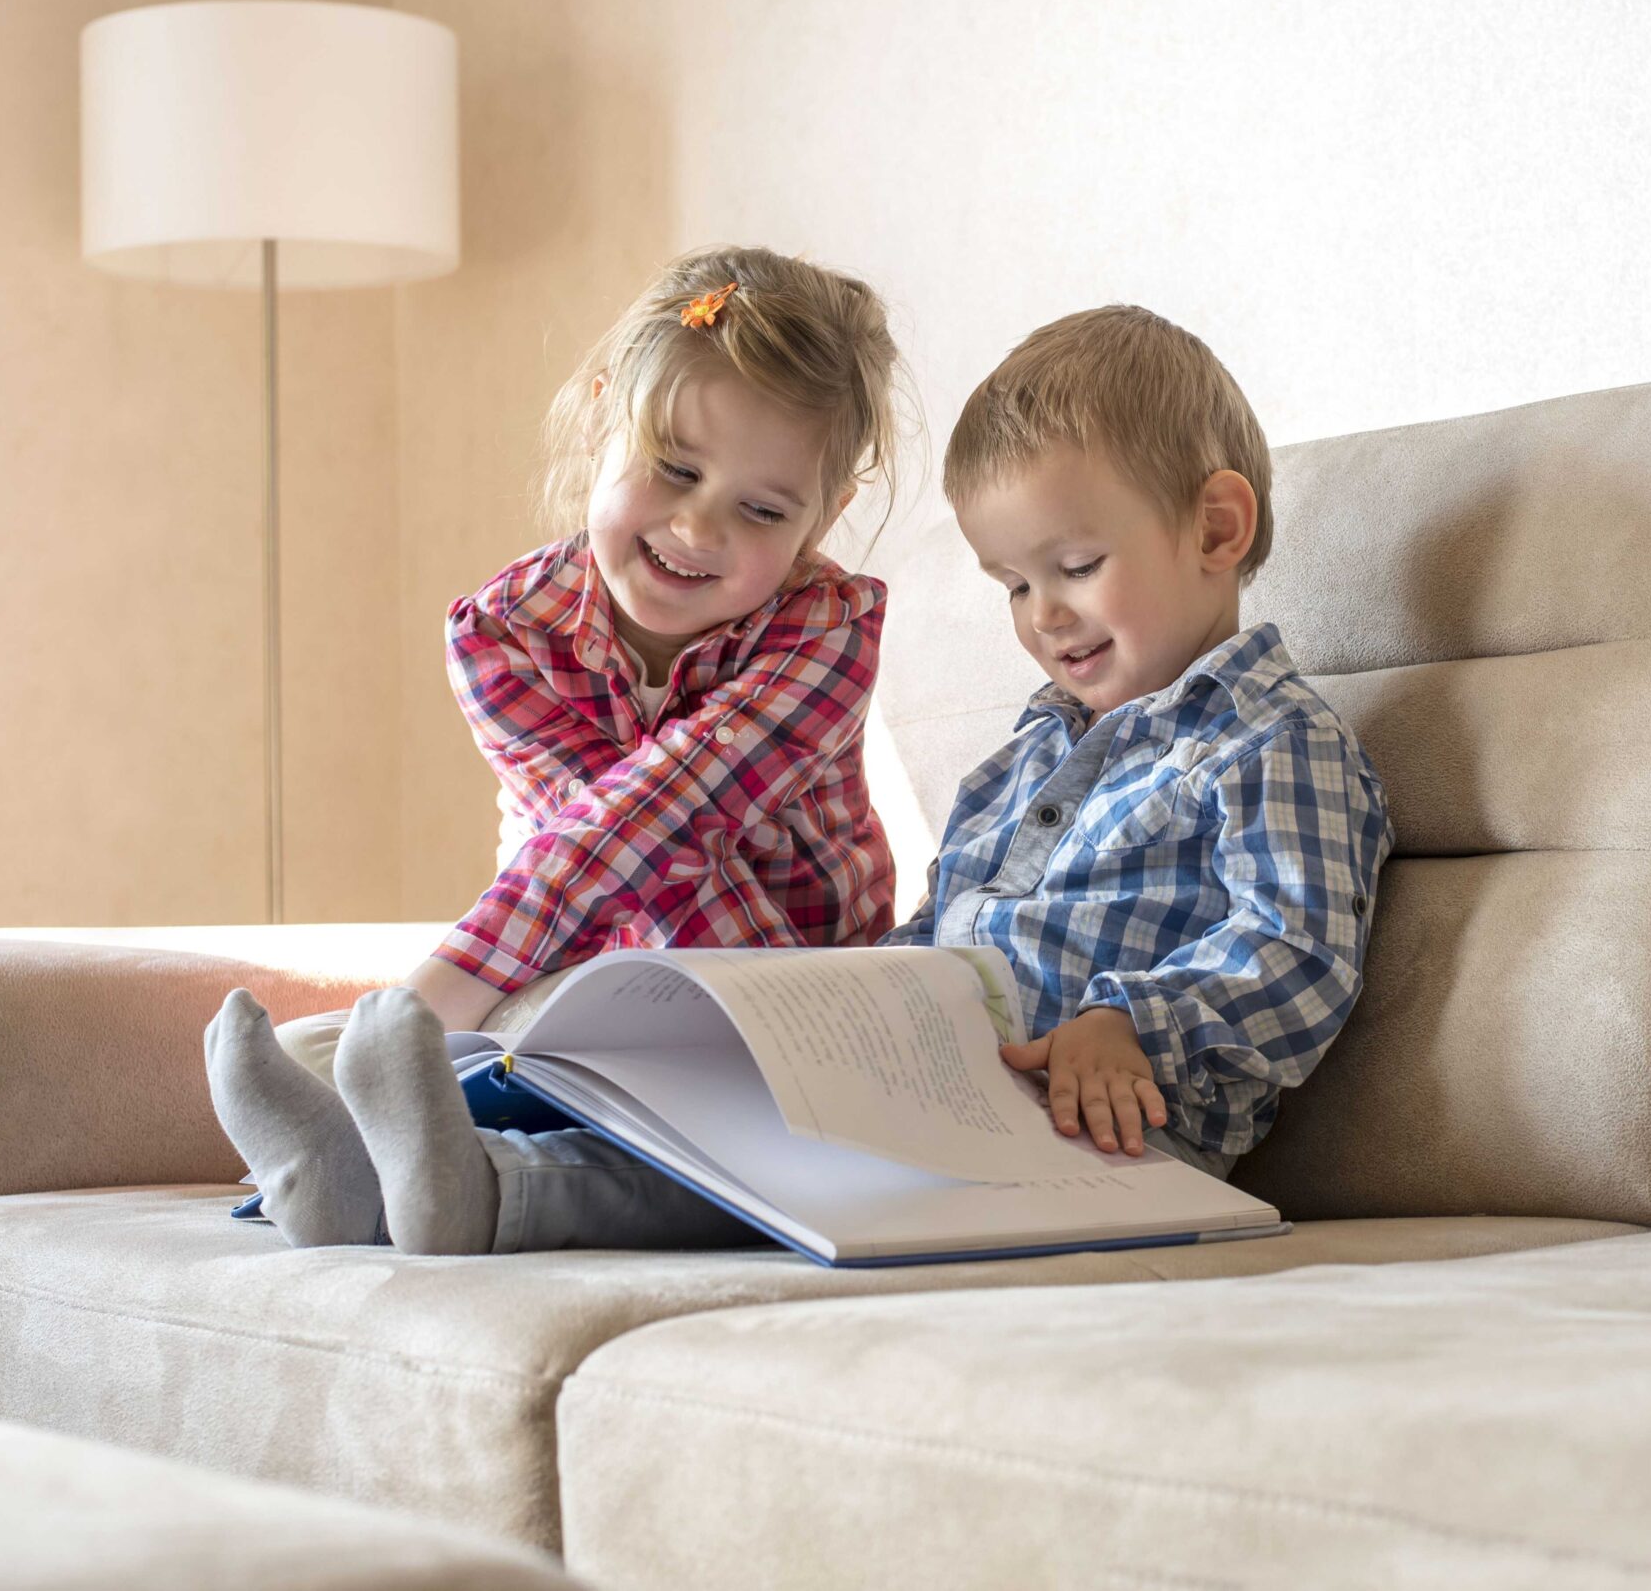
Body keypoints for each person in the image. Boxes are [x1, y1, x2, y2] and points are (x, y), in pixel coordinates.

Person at [205, 245, 904, 1251]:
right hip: (577, 979)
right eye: (673, 468)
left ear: (821, 520)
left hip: (780, 1001)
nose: (698, 526)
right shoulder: (501, 632)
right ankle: (343, 1161)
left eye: (762, 509)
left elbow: (652, 819)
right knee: (349, 1044)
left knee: (697, 1113)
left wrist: (427, 1001)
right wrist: (438, 1019)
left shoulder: (830, 629)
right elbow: (583, 865)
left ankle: (457, 1172)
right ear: (601, 413)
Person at [890, 304, 1392, 1179]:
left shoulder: (1270, 739)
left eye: (1077, 568)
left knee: (625, 1187)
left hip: (1110, 1139)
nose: (1043, 615)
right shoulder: (1018, 762)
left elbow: (1298, 947)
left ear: (1214, 529)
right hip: (940, 1108)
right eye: (1013, 585)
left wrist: (1128, 1022)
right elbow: (935, 928)